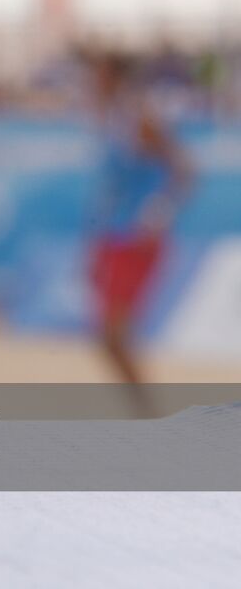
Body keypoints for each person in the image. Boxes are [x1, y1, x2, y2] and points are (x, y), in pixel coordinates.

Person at [87, 53, 192, 411]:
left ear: (115, 78)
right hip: (114, 235)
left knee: (112, 336)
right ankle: (145, 410)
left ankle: (147, 411)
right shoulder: (111, 119)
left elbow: (184, 169)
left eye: (99, 76)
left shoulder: (138, 119)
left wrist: (157, 213)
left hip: (136, 237)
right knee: (110, 337)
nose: (93, 84)